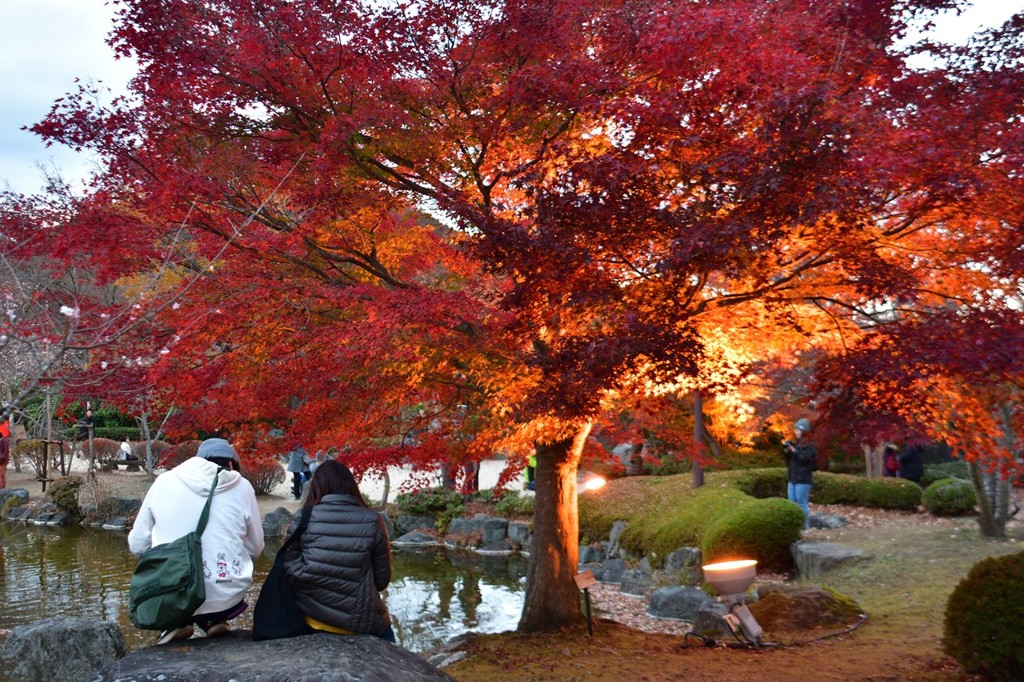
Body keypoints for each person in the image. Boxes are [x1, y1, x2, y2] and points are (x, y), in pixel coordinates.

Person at [128, 438, 265, 645]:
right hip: (227, 595)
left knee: (174, 582)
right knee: (218, 577)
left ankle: (177, 621)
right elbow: (256, 547)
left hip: (172, 593)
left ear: (199, 459)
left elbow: (138, 544)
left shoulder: (165, 481)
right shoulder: (242, 486)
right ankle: (213, 619)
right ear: (231, 464)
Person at [282, 459, 395, 643]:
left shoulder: (303, 518)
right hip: (361, 624)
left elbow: (288, 566)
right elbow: (381, 581)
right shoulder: (373, 520)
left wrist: (311, 575)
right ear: (351, 486)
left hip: (312, 619)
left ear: (316, 487)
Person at [783, 418, 818, 529]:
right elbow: (789, 461)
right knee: (792, 504)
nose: (796, 432)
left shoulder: (810, 448)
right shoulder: (796, 445)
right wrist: (787, 451)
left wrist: (794, 451)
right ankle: (794, 527)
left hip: (803, 480)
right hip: (792, 478)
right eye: (796, 430)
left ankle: (804, 527)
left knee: (801, 503)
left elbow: (804, 459)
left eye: (799, 430)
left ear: (805, 432)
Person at [0, 419, 10, 489]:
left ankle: (2, 489)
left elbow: (6, 452)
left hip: (2, 460)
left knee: (1, 475)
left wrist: (1, 458)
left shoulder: (4, 440)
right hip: (2, 459)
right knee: (2, 475)